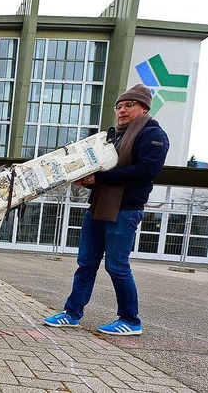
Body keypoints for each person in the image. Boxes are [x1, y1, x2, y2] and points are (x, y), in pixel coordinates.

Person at [43, 84, 169, 336]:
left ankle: (131, 320)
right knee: (86, 264)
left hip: (125, 210)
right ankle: (72, 313)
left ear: (144, 107)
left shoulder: (153, 135)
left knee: (117, 266)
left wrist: (99, 179)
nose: (121, 110)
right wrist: (88, 179)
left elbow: (145, 172)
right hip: (99, 206)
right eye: (119, 106)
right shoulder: (117, 137)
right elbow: (106, 169)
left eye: (128, 105)